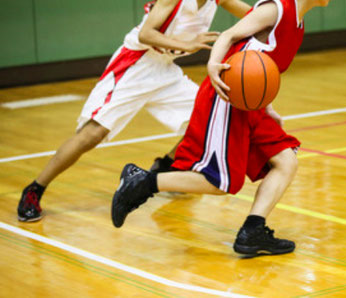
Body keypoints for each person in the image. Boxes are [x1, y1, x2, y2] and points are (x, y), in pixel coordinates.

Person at [111, 0, 331, 255]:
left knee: (286, 161)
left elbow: (263, 69)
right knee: (219, 181)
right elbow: (229, 35)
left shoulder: (297, 23)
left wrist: (268, 106)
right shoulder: (277, 9)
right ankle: (144, 182)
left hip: (250, 106)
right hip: (226, 98)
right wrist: (213, 64)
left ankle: (253, 232)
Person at [17, 0, 252, 222]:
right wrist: (187, 45)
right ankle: (35, 189)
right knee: (92, 134)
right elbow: (146, 34)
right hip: (136, 65)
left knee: (210, 116)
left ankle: (166, 165)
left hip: (165, 69)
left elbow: (254, 16)